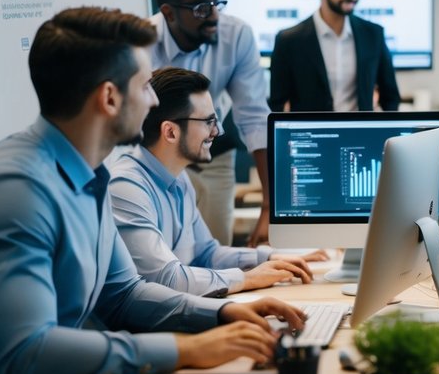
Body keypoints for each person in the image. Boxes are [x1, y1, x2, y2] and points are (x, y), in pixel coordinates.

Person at [0, 7, 305, 374]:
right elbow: (28, 355)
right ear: (109, 98)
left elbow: (123, 294)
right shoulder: (15, 192)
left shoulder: (89, 175)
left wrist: (222, 315)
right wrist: (186, 351)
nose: (153, 101)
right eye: (144, 86)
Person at [111, 67, 316, 296]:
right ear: (170, 132)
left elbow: (206, 253)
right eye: (208, 121)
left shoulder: (179, 177)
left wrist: (268, 257)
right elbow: (165, 278)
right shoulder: (126, 187)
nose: (217, 132)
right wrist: (247, 278)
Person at [150, 0, 270, 248]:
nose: (215, 15)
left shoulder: (236, 35)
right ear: (169, 13)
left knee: (214, 249)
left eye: (217, 3)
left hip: (212, 155)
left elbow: (254, 117)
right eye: (202, 9)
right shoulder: (143, 42)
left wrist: (269, 207)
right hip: (156, 162)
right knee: (163, 253)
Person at [269, 0, 401, 113]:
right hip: (311, 135)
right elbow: (277, 103)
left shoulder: (373, 34)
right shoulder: (289, 40)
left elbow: (390, 97)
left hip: (360, 134)